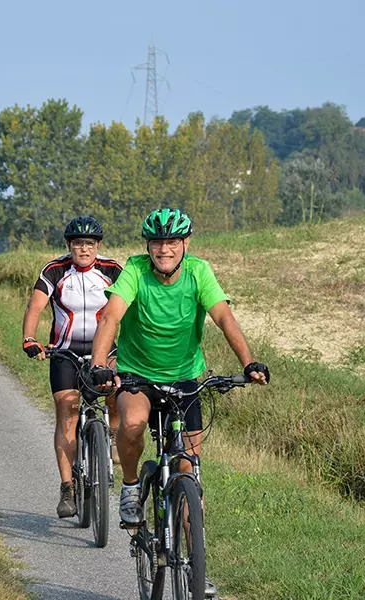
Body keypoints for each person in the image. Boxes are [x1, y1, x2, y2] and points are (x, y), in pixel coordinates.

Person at [90, 208, 269, 597]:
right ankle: (132, 486)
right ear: (148, 246)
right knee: (133, 424)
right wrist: (101, 364)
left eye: (172, 242)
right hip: (138, 374)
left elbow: (223, 317)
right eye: (158, 242)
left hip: (186, 378)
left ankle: (196, 570)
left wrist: (248, 362)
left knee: (189, 470)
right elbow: (111, 319)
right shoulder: (135, 271)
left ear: (185, 244)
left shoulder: (199, 272)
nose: (164, 249)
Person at [22, 216, 123, 518]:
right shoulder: (54, 271)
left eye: (89, 244)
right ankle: (68, 486)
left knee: (118, 387)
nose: (83, 249)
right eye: (78, 244)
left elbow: (131, 306)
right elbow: (35, 306)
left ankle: (114, 432)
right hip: (64, 351)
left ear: (98, 246)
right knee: (67, 412)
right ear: (69, 245)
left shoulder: (112, 270)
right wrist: (29, 338)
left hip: (103, 349)